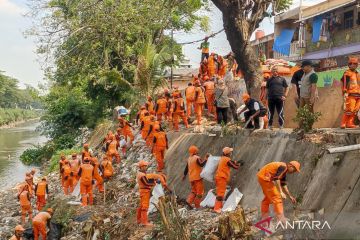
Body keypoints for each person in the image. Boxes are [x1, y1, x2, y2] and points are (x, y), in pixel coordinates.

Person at [136, 160, 170, 226]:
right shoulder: (142, 175)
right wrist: (155, 182)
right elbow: (146, 183)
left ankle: (139, 220)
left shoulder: (141, 174)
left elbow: (147, 180)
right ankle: (144, 222)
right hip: (145, 191)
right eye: (145, 166)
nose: (146, 167)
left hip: (143, 191)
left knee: (141, 206)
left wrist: (153, 180)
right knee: (145, 207)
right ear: (142, 167)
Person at [214, 147, 240, 213]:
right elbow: (235, 166)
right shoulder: (227, 159)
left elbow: (231, 162)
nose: (231, 153)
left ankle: (218, 207)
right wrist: (239, 164)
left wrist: (236, 162)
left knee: (220, 192)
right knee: (221, 193)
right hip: (221, 178)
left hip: (219, 177)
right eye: (230, 152)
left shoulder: (223, 158)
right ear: (228, 153)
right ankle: (217, 208)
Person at [340, 57, 360, 128]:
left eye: (355, 64)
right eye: (351, 63)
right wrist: (344, 91)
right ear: (349, 65)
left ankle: (350, 123)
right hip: (351, 94)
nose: (353, 65)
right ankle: (343, 123)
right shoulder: (347, 73)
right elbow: (343, 82)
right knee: (349, 109)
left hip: (358, 95)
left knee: (355, 109)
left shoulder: (358, 73)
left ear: (357, 65)